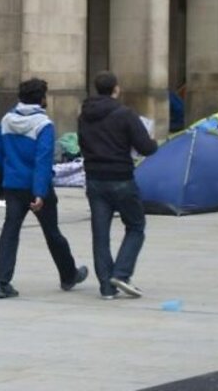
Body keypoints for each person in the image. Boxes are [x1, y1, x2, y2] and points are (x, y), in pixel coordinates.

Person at [0, 78, 88, 299]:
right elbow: (42, 160)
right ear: (42, 99)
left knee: (10, 231)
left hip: (13, 185)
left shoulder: (6, 121)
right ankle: (68, 275)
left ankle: (1, 282)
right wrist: (40, 192)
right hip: (36, 187)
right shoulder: (44, 125)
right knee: (52, 232)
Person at [78, 71, 158, 300]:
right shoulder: (125, 114)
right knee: (135, 225)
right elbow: (146, 148)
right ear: (116, 89)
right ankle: (121, 273)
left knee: (100, 233)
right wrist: (152, 142)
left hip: (94, 178)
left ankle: (106, 286)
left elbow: (82, 143)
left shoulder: (84, 115)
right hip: (121, 176)